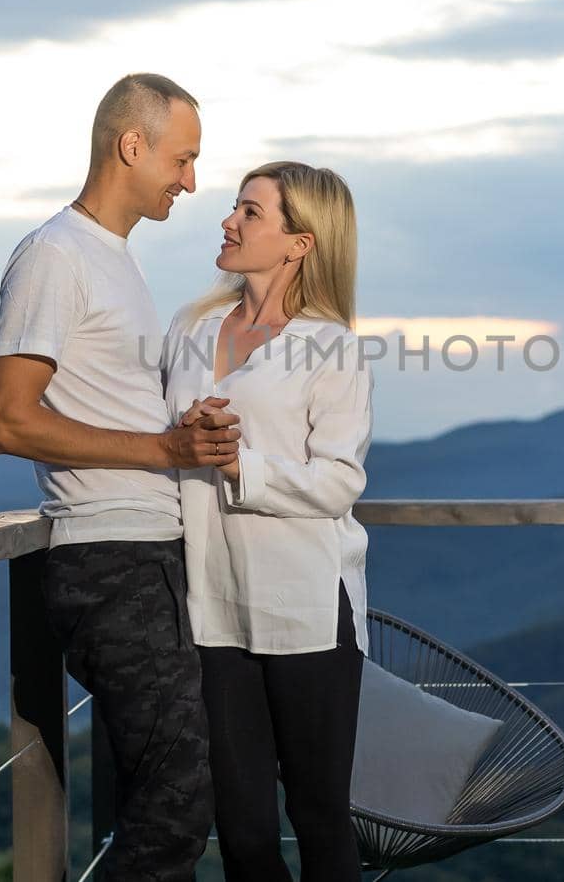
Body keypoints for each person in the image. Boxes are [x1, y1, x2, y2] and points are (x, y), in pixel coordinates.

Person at [0, 72, 239, 880]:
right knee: (178, 799)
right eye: (183, 158)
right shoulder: (55, 256)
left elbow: (118, 407)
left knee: (168, 794)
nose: (191, 182)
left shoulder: (113, 260)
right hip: (108, 560)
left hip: (149, 554)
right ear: (133, 145)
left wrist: (186, 435)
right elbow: (9, 421)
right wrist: (165, 450)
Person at [164, 161, 373, 882]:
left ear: (299, 243)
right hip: (212, 606)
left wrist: (236, 466)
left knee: (318, 817)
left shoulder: (332, 347)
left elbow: (340, 481)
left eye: (250, 212)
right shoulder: (190, 328)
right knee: (243, 830)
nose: (229, 220)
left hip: (307, 609)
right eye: (235, 207)